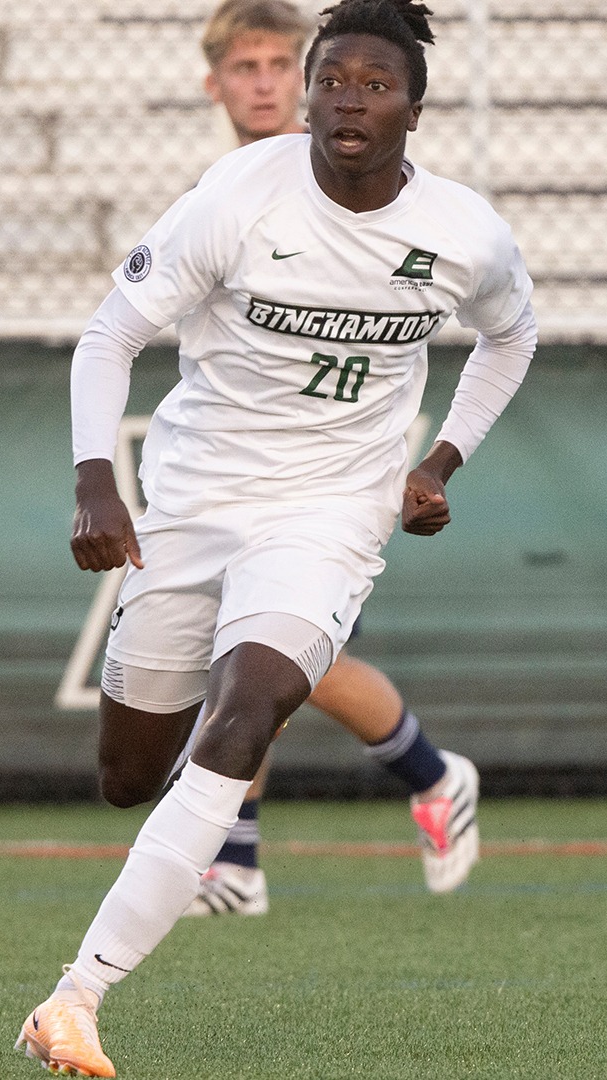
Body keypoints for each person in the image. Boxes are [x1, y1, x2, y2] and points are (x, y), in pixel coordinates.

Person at [16, 2, 537, 1072]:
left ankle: (76, 997)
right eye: (331, 78)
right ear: (308, 95)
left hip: (332, 513)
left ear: (417, 109)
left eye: (375, 83)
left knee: (250, 703)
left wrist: (438, 463)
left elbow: (512, 335)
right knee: (127, 774)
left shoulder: (466, 233)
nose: (350, 98)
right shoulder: (236, 199)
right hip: (196, 501)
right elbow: (112, 331)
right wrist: (93, 485)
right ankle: (410, 779)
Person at [179, 0, 484, 918]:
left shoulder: (355, 172)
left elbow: (412, 305)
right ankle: (243, 853)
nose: (267, 83)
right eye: (248, 68)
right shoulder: (233, 184)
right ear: (216, 83)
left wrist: (417, 452)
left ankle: (422, 779)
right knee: (251, 654)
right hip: (247, 455)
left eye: (281, 64)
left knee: (276, 652)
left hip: (333, 461)